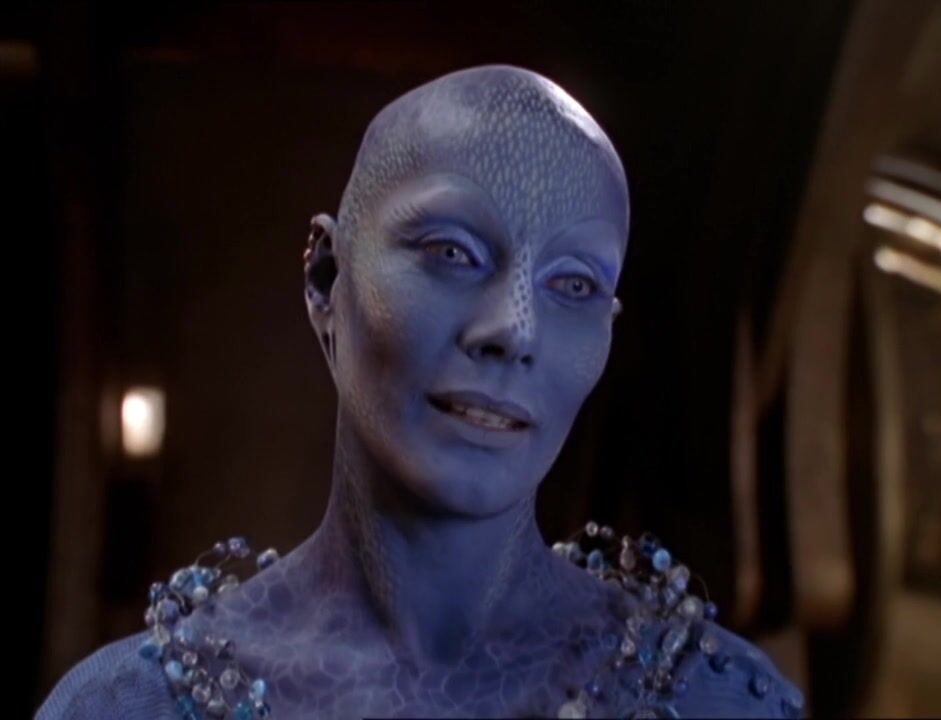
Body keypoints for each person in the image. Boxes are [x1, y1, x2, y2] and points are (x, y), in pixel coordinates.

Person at [37, 65, 804, 719]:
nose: (515, 329)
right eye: (452, 252)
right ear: (327, 279)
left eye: (573, 284)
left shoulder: (717, 699)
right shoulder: (130, 705)